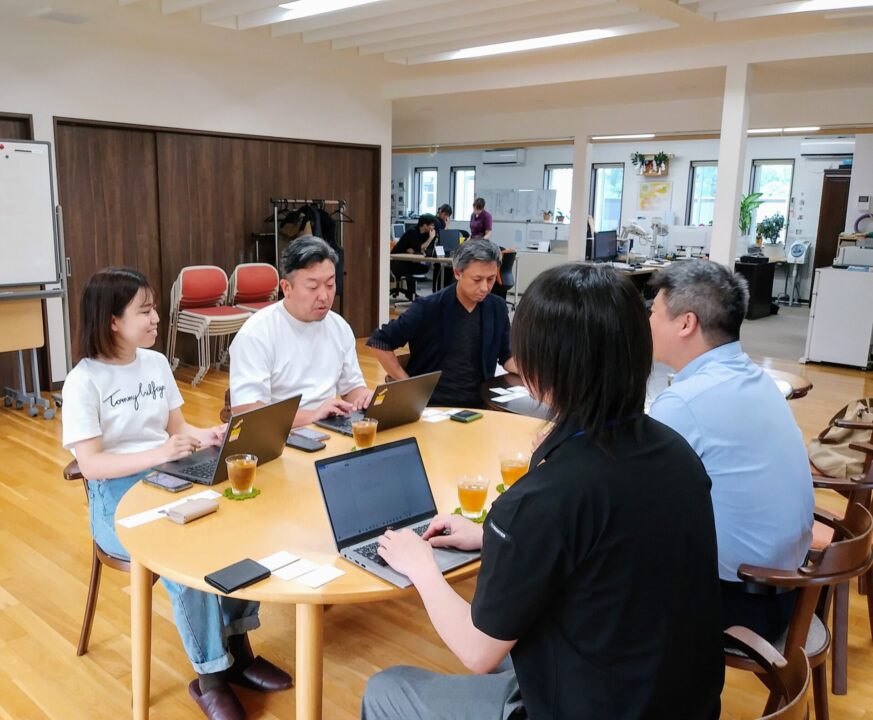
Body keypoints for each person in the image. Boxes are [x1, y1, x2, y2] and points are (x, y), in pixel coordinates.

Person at [361, 263, 725, 720]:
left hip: (593, 705)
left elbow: (478, 651)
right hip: (683, 702)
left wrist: (420, 565)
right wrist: (489, 536)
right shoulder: (676, 452)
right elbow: (602, 550)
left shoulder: (545, 496)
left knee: (386, 688)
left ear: (537, 370)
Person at [62, 268, 291, 720]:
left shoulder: (155, 364)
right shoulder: (83, 381)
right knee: (183, 554)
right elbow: (90, 465)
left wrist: (210, 435)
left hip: (169, 478)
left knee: (240, 527)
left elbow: (178, 430)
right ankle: (210, 676)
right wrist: (159, 453)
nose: (156, 319)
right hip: (117, 502)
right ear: (112, 321)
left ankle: (239, 649)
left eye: (154, 309)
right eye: (144, 311)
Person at [647, 260, 814, 642]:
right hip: (788, 587)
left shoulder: (685, 401)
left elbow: (637, 497)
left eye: (654, 312)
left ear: (686, 323)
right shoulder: (758, 379)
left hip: (740, 605)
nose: (648, 322)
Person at [229, 235, 370, 426]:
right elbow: (247, 412)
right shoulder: (257, 334)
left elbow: (352, 388)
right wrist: (313, 416)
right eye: (313, 287)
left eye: (330, 285)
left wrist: (364, 398)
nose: (324, 296)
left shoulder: (339, 327)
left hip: (329, 428)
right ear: (286, 288)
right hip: (280, 435)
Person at [368, 240, 518, 408]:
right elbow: (379, 341)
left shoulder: (496, 307)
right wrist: (408, 385)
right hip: (434, 405)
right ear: (457, 273)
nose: (485, 287)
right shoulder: (428, 307)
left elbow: (507, 356)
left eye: (490, 279)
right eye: (477, 279)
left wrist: (534, 375)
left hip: (481, 403)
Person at [391, 214, 437, 300]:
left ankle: (411, 294)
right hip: (397, 262)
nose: (433, 227)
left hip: (408, 261)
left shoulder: (425, 234)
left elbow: (424, 249)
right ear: (424, 225)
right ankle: (411, 294)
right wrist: (430, 239)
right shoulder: (412, 232)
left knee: (424, 268)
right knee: (411, 270)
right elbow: (420, 248)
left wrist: (417, 250)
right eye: (432, 225)